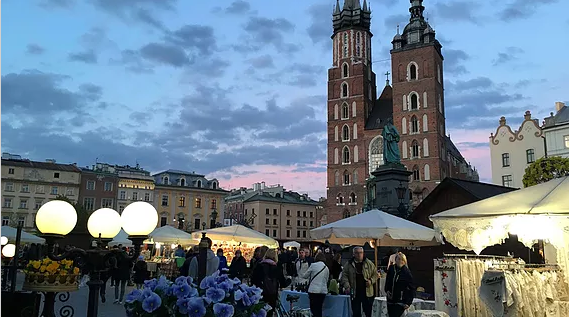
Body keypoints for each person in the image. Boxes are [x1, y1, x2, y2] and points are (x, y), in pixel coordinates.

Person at [251, 249, 291, 317]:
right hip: (272, 295)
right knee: (269, 313)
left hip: (259, 294)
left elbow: (253, 280)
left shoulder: (259, 266)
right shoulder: (277, 267)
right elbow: (283, 283)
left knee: (259, 312)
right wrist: (289, 280)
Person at [341, 246, 377, 317]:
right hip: (354, 291)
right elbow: (344, 276)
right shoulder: (349, 264)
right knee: (356, 312)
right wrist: (347, 286)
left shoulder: (368, 263)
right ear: (353, 254)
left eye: (360, 253)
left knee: (368, 311)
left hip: (367, 292)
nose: (359, 254)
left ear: (363, 253)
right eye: (357, 253)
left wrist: (371, 281)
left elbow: (375, 274)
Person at [385, 252, 415, 317]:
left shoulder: (406, 272)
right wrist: (387, 290)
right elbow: (388, 281)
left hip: (400, 300)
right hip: (390, 300)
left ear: (404, 261)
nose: (400, 261)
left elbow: (412, 288)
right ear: (395, 260)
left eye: (402, 260)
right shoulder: (391, 269)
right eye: (398, 259)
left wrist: (408, 302)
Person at [301, 253, 329, 317]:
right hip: (323, 291)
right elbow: (326, 280)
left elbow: (305, 276)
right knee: (319, 308)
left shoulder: (313, 265)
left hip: (314, 290)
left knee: (313, 309)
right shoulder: (326, 268)